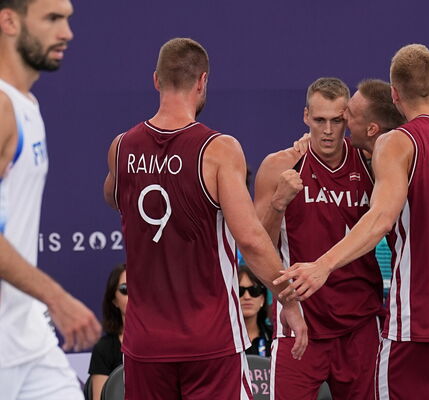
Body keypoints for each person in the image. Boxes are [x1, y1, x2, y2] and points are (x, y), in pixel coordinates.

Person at [275, 44, 429, 399]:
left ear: (395, 94)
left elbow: (380, 218)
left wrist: (322, 266)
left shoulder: (399, 142)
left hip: (423, 323)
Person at [103, 37, 307, 399]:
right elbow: (250, 238)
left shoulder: (122, 147)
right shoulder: (218, 149)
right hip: (210, 338)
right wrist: (287, 300)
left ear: (156, 80)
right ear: (202, 81)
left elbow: (113, 196)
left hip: (145, 342)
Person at [254, 77, 383, 399]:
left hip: (360, 321)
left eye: (337, 121)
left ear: (349, 121)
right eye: (319, 120)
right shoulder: (280, 166)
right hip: (301, 319)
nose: (327, 130)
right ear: (305, 117)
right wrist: (278, 203)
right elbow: (256, 245)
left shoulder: (372, 162)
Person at [0, 0, 101, 398]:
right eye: (52, 19)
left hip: (27, 335)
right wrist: (57, 297)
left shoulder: (26, 104)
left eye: (68, 20)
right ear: (8, 20)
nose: (67, 33)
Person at [88, 264, 127, 400]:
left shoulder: (162, 344)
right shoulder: (104, 348)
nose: (133, 294)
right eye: (125, 289)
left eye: (138, 287)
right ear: (114, 300)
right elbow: (99, 398)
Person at [239, 265, 273, 357]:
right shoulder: (220, 340)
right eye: (239, 291)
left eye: (254, 290)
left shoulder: (274, 337)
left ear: (262, 299)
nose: (247, 297)